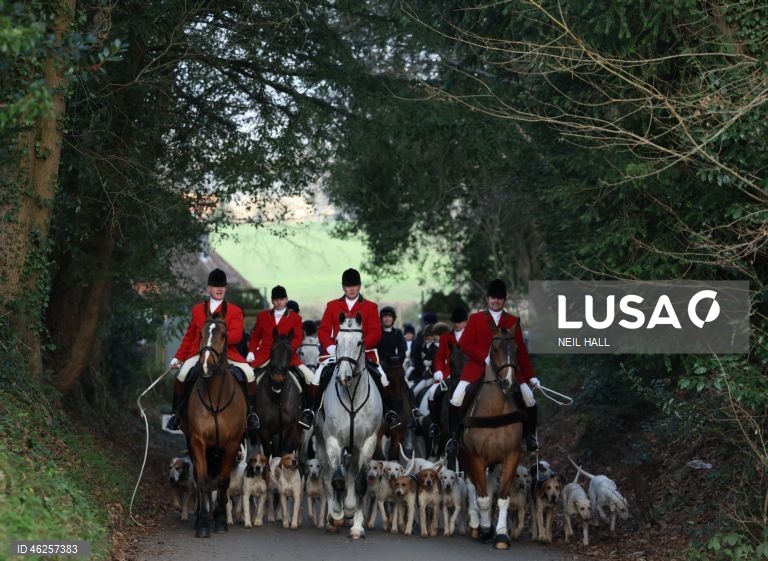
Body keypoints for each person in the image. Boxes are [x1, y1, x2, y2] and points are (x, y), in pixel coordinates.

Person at [444, 279, 540, 455]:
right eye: (493, 298)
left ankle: (529, 436)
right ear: (487, 299)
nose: (496, 301)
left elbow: (521, 352)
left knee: (529, 398)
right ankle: (453, 439)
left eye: (500, 298)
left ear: (505, 300)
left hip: (508, 369)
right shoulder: (476, 319)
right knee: (456, 398)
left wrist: (531, 376)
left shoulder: (512, 321)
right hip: (478, 368)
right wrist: (485, 358)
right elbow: (465, 343)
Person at [298, 268, 401, 429]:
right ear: (343, 287)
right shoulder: (332, 306)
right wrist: (331, 347)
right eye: (348, 286)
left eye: (355, 285)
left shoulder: (370, 306)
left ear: (359, 286)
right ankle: (310, 411)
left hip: (363, 353)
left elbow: (376, 332)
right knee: (317, 376)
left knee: (383, 377)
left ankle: (389, 412)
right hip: (337, 353)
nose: (352, 288)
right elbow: (324, 330)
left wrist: (360, 346)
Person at [166, 268, 259, 431]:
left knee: (250, 374)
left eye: (222, 286)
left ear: (226, 288)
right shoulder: (197, 310)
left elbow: (237, 335)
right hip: (199, 352)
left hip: (227, 353)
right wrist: (178, 357)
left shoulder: (235, 311)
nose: (219, 289)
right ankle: (176, 414)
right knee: (182, 374)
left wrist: (217, 338)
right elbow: (189, 336)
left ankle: (251, 414)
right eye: (216, 286)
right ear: (209, 288)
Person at [246, 285, 314, 394]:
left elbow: (298, 337)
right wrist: (251, 352)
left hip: (287, 356)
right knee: (247, 377)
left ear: (286, 300)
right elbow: (255, 337)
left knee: (310, 378)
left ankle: (309, 409)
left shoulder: (296, 318)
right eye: (276, 300)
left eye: (282, 299)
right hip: (264, 356)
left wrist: (288, 349)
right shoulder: (262, 316)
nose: (279, 302)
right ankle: (249, 409)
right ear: (272, 301)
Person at [426, 307, 468, 436]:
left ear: (466, 322)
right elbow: (439, 358)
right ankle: (436, 424)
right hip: (447, 373)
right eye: (454, 321)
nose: (456, 324)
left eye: (459, 321)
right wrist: (438, 371)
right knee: (432, 392)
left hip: (467, 373)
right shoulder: (445, 337)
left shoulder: (471, 336)